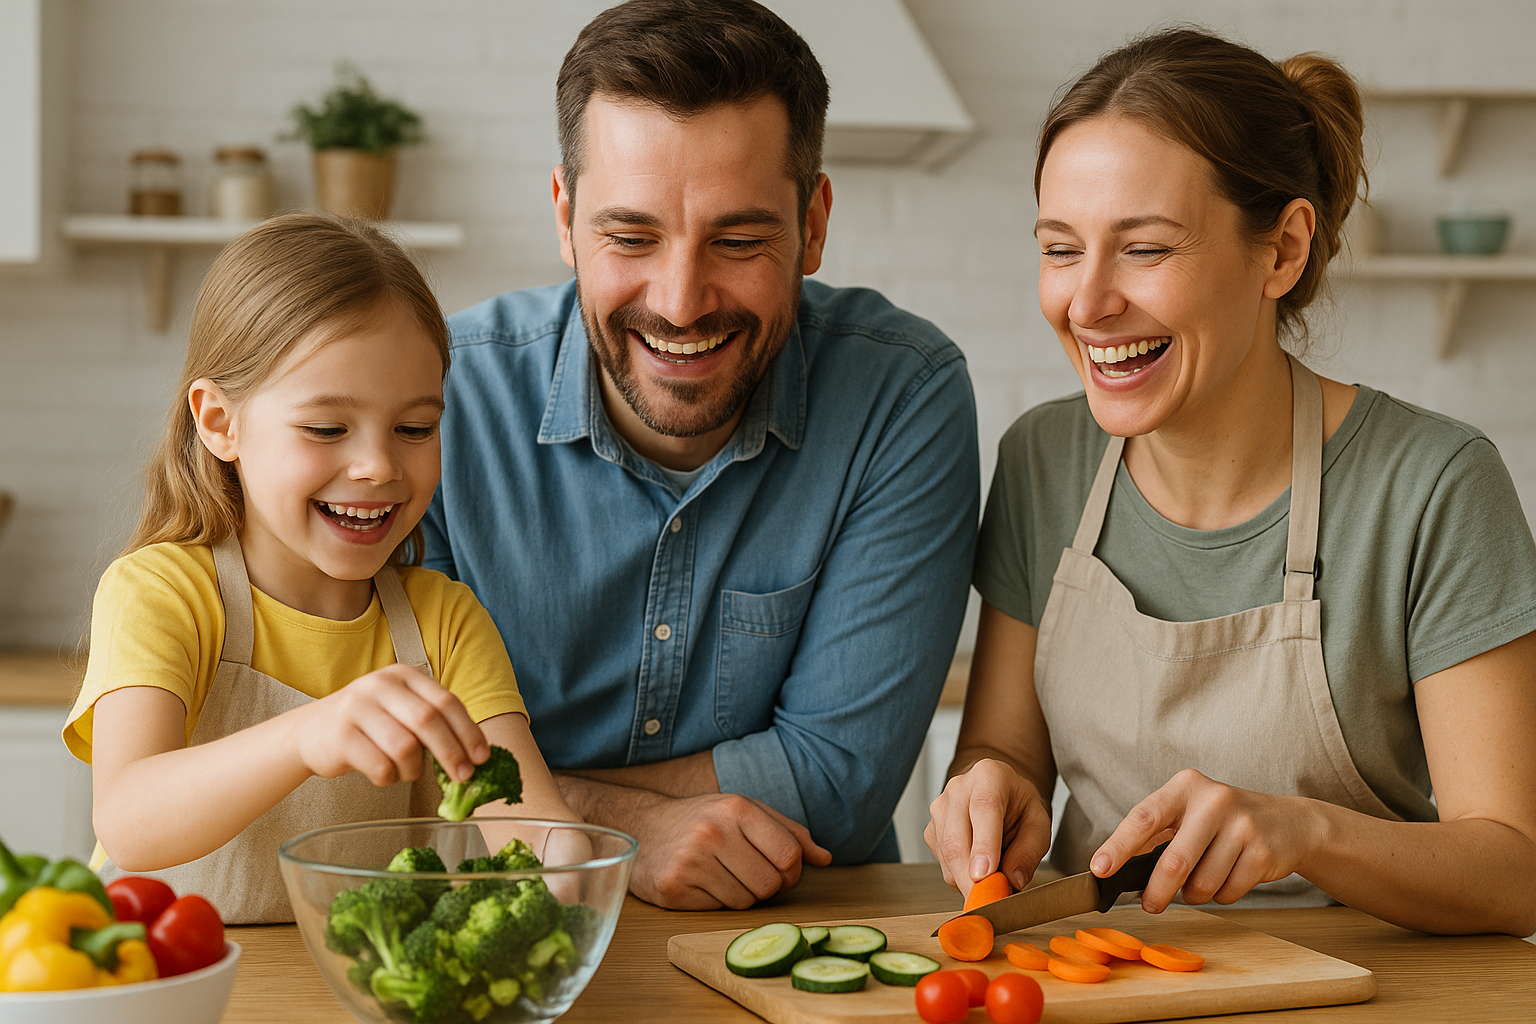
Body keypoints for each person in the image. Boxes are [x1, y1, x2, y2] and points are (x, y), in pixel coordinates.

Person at [926, 28, 1536, 936]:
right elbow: (1003, 746)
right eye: (1060, 249)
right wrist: (990, 789)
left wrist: (1307, 832)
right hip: (1099, 973)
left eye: (1146, 249)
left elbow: (1514, 869)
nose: (1087, 304)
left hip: (1373, 991)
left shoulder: (1433, 486)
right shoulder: (1042, 459)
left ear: (1282, 250)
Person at [422, 0, 979, 910]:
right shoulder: (436, 402)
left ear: (814, 224)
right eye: (631, 237)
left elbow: (837, 783)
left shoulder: (901, 394)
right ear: (565, 217)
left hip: (804, 941)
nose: (680, 302)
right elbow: (391, 776)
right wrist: (624, 840)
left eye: (739, 240)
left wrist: (527, 802)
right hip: (503, 934)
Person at [63, 214, 580, 923]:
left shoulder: (445, 621)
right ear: (220, 422)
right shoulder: (161, 593)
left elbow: (531, 824)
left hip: (351, 986)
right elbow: (128, 819)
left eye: (415, 428)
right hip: (163, 985)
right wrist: (308, 734)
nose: (377, 465)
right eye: (327, 428)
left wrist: (570, 874)